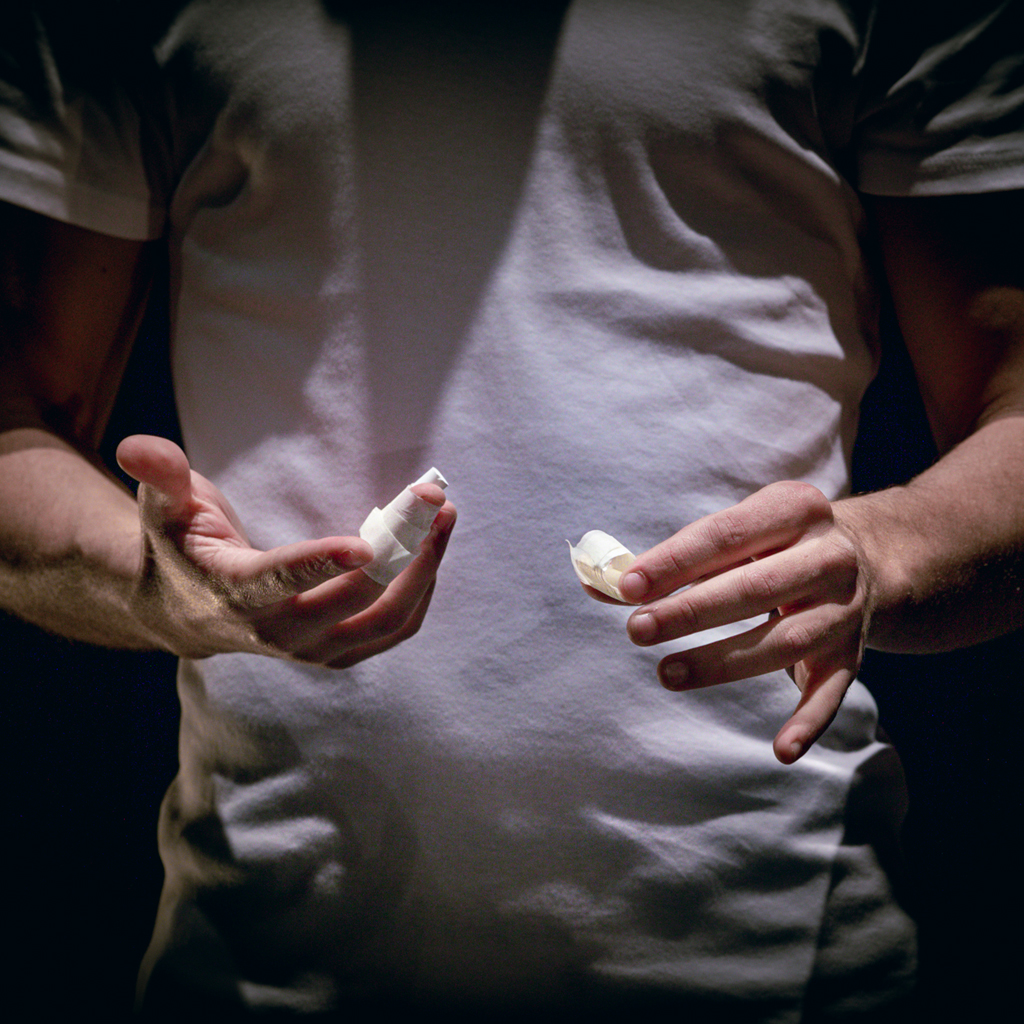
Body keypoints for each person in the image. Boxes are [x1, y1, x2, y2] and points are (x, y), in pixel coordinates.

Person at [1, 1, 1021, 1019]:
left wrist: (876, 554)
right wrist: (156, 588)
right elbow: (20, 414)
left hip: (779, 958)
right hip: (262, 964)